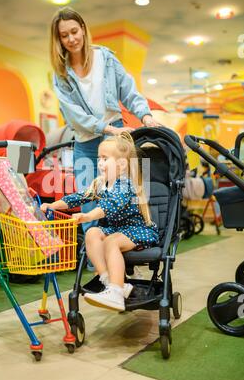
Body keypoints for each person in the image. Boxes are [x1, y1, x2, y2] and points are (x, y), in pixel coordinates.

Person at [49, 7, 159, 270]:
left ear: (84, 29)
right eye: (64, 35)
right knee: (90, 202)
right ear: (59, 40)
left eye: (74, 31)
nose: (71, 38)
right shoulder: (61, 74)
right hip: (88, 144)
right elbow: (73, 116)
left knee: (128, 197)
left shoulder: (106, 59)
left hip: (118, 137)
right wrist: (106, 128)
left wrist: (145, 117)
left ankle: (123, 253)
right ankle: (98, 271)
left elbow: (129, 91)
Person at [41, 132, 159, 312]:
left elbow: (109, 206)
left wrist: (87, 216)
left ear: (121, 164)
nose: (100, 163)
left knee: (110, 241)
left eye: (105, 158)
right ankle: (108, 280)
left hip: (137, 230)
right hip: (116, 229)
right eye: (99, 158)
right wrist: (53, 205)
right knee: (92, 233)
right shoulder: (102, 183)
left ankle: (116, 292)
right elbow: (78, 198)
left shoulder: (125, 185)